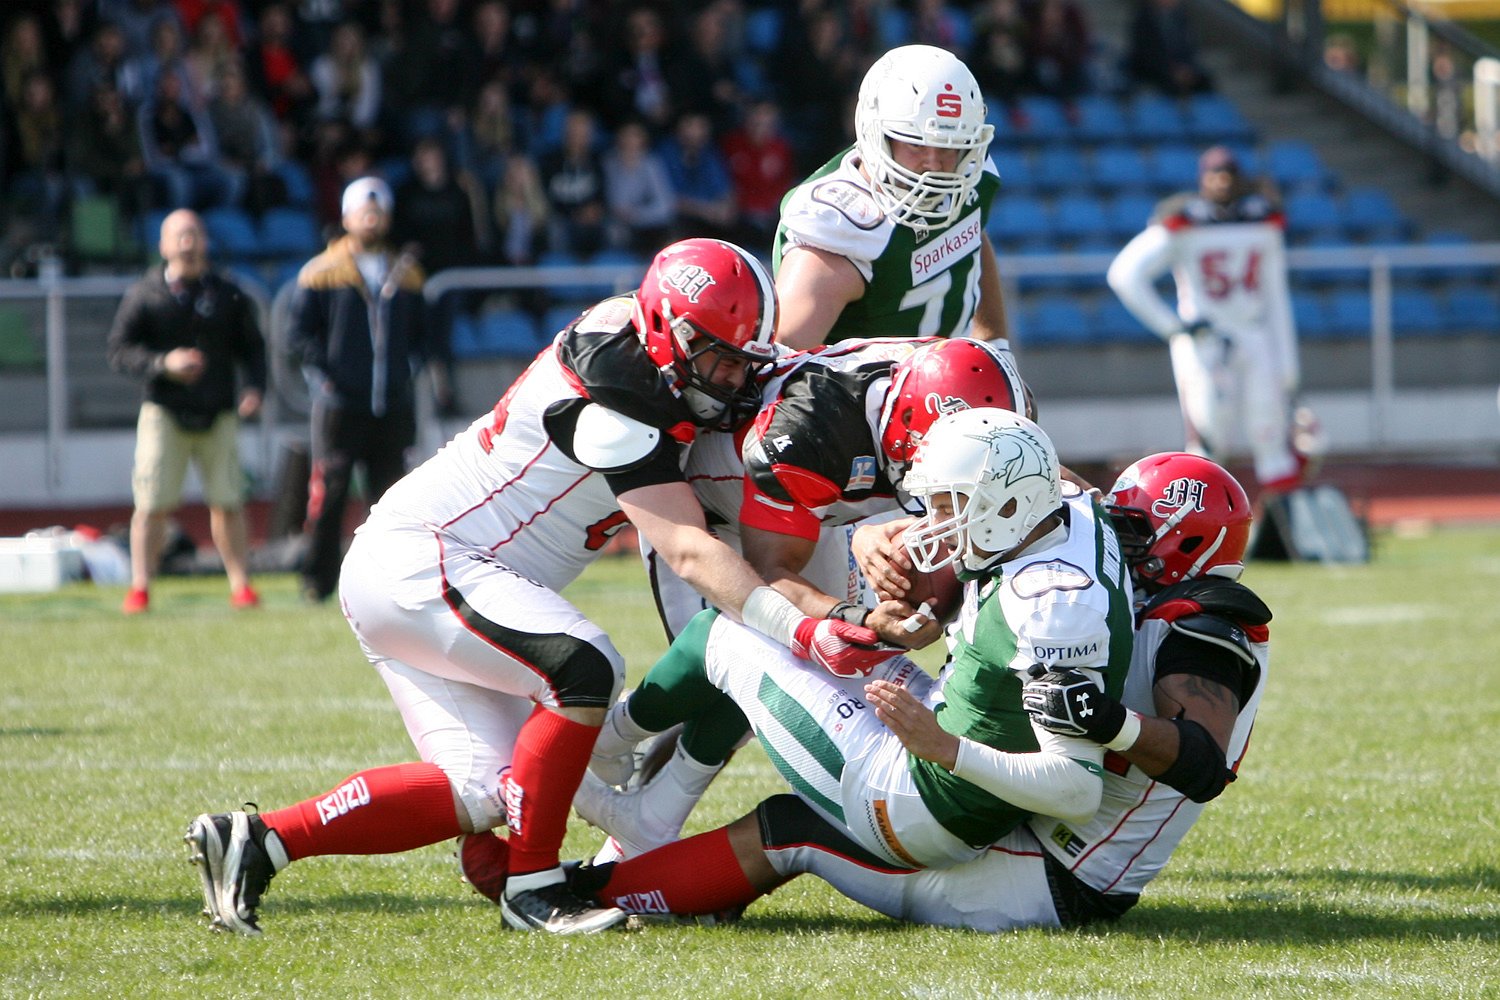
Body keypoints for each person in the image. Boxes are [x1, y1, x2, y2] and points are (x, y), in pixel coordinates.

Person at [184, 238, 892, 937]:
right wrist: (800, 627)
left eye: (744, 356)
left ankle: (259, 840)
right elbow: (684, 547)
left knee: (486, 790)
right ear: (665, 333)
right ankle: (534, 889)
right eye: (719, 356)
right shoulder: (616, 396)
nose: (733, 376)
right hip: (427, 557)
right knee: (583, 665)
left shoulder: (646, 341)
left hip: (446, 570)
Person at [560, 451, 1268, 932]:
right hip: (1024, 805)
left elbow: (1203, 765)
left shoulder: (1203, 624)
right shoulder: (1098, 572)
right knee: (815, 687)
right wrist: (890, 540)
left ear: (1185, 549)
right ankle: (625, 859)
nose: (1112, 530)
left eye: (1134, 525)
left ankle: (598, 882)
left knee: (794, 825)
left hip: (1052, 870)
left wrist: (1112, 724)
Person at [512, 408, 1134, 917]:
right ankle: (623, 850)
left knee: (728, 628)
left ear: (1007, 507)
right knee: (784, 815)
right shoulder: (1072, 515)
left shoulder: (1054, 606)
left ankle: (605, 745)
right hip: (951, 743)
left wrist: (947, 749)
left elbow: (1077, 790)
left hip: (927, 795)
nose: (935, 524)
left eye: (951, 507)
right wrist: (876, 542)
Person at [772, 44, 1010, 351]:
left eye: (948, 146)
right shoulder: (840, 226)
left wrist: (996, 343)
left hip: (948, 384)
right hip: (863, 396)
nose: (934, 163)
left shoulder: (969, 178)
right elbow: (782, 359)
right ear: (876, 135)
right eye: (916, 145)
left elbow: (973, 233)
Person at [1107, 145, 1306, 493]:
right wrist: (1173, 327)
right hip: (1207, 338)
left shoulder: (1261, 220)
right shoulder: (1185, 221)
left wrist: (1288, 362)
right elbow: (1125, 274)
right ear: (1202, 179)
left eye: (1228, 173)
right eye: (1215, 174)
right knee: (1209, 437)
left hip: (1251, 330)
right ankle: (1205, 516)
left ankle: (1284, 513)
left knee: (1269, 428)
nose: (1223, 181)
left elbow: (1275, 295)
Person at [106, 209, 267, 614]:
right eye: (179, 235)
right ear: (163, 245)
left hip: (218, 412)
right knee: (152, 504)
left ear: (205, 242)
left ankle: (241, 585)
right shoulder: (144, 294)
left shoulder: (228, 293)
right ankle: (140, 586)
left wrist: (255, 388)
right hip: (164, 411)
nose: (187, 243)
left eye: (194, 234)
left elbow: (253, 348)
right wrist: (164, 363)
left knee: (227, 502)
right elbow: (119, 351)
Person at [287, 176, 430, 604]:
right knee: (331, 491)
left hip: (393, 404)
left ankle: (391, 581)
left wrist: (408, 368)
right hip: (340, 406)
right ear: (346, 217)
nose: (370, 218)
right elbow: (298, 334)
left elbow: (422, 335)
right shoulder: (320, 273)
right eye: (362, 211)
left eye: (377, 211)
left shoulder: (407, 274)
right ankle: (318, 580)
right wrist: (326, 376)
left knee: (391, 497)